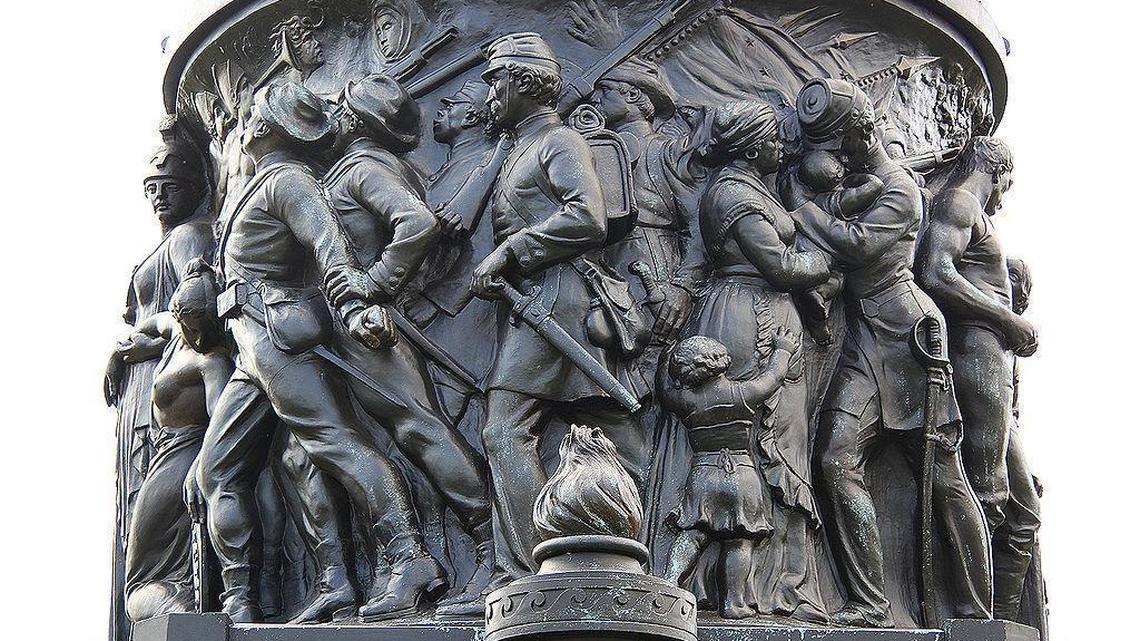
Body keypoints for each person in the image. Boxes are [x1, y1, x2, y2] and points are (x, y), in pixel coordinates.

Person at [194, 81, 444, 623]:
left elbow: (329, 244)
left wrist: (355, 303)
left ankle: (410, 556)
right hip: (249, 348)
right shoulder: (258, 185)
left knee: (333, 442)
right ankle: (273, 593)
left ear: (264, 127)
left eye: (253, 114)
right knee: (219, 470)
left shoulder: (289, 181)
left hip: (278, 336)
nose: (244, 123)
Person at [782, 78, 991, 627]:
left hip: (908, 334)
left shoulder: (900, 188)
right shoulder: (862, 181)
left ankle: (976, 609)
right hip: (865, 334)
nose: (825, 156)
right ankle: (871, 603)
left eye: (831, 144)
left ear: (853, 137)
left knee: (941, 473)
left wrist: (803, 212)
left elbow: (856, 245)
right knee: (834, 457)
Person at [471, 32, 647, 581]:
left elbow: (588, 218)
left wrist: (510, 250)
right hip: (539, 299)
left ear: (524, 82)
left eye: (495, 79)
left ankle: (531, 570)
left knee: (504, 429)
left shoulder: (560, 142)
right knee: (614, 433)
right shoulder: (520, 145)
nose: (487, 92)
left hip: (557, 300)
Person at [322, 74, 495, 618]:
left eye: (339, 108)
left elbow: (416, 224)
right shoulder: (386, 168)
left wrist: (374, 283)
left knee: (418, 428)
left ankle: (490, 544)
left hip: (367, 327)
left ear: (353, 121)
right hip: (351, 327)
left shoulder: (361, 170)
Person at [683, 100, 832, 622]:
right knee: (757, 439)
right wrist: (835, 254)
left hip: (756, 310)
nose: (782, 147)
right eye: (773, 140)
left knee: (770, 439)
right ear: (750, 147)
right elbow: (782, 266)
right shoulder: (734, 196)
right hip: (751, 318)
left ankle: (771, 581)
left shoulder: (748, 189)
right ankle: (764, 591)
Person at [105, 123, 216, 641]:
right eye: (151, 187)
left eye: (170, 183)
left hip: (174, 390)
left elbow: (191, 314)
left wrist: (136, 345)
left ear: (198, 181)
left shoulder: (191, 237)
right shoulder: (156, 251)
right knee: (135, 519)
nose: (160, 196)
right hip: (144, 397)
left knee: (153, 526)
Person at [915, 137, 1036, 534]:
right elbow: (936, 272)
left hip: (987, 351)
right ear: (997, 172)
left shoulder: (966, 210)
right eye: (1005, 186)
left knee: (1008, 499)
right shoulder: (962, 203)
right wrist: (1008, 320)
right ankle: (967, 598)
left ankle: (977, 596)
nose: (1000, 199)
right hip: (977, 348)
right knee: (988, 492)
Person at [658, 329, 798, 618]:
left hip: (703, 475)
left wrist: (663, 359)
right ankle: (733, 603)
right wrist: (782, 349)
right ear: (719, 360)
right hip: (741, 474)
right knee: (738, 540)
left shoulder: (686, 402)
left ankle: (669, 583)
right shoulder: (743, 394)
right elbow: (773, 378)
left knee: (694, 532)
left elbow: (664, 391)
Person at [122, 261, 233, 623]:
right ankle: (178, 602)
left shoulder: (211, 361)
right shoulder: (174, 335)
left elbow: (221, 424)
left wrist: (201, 470)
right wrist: (124, 353)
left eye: (206, 327)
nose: (200, 337)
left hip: (185, 460)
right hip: (163, 457)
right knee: (139, 572)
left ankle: (182, 610)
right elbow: (153, 323)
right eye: (192, 327)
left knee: (139, 582)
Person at [992, 257, 1043, 621]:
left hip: (1004, 431)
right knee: (1015, 513)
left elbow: (1013, 413)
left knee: (1025, 517)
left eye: (1012, 277)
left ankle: (1004, 613)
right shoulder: (984, 332)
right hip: (978, 428)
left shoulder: (1008, 345)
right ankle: (996, 612)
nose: (1003, 282)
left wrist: (1025, 465)